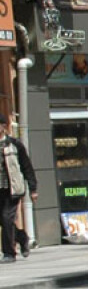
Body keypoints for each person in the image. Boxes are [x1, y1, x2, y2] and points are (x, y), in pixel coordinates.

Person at [0, 112, 36, 263]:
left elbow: (27, 166)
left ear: (2, 127)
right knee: (3, 220)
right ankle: (22, 237)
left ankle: (9, 253)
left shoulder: (14, 144)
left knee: (6, 218)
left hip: (12, 190)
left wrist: (33, 188)